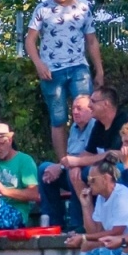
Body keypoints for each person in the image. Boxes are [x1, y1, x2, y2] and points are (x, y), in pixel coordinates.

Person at [26, 0, 106, 159]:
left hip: (79, 67)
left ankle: (87, 157)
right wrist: (38, 64)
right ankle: (64, 162)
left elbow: (91, 41)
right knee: (58, 118)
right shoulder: (43, 9)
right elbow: (30, 40)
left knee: (87, 112)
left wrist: (99, 70)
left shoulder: (83, 8)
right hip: (51, 71)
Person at [37, 94, 95, 231]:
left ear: (91, 110)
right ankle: (53, 222)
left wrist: (65, 166)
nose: (74, 112)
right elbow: (70, 155)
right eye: (73, 108)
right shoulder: (74, 127)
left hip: (90, 170)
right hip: (71, 167)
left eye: (79, 108)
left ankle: (77, 224)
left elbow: (90, 155)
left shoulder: (95, 126)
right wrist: (60, 167)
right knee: (44, 169)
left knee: (73, 173)